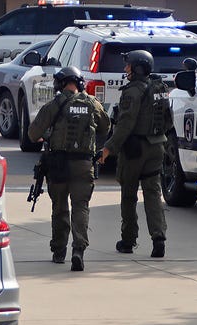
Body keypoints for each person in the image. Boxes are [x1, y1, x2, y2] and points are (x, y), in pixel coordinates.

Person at [28, 66, 110, 273]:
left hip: (58, 164)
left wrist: (47, 135)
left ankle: (59, 251)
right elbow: (105, 127)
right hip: (84, 164)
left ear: (61, 83)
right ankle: (78, 250)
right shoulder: (92, 103)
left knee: (60, 208)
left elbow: (32, 134)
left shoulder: (53, 105)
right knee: (81, 207)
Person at [99, 50, 170, 259]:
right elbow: (168, 121)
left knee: (129, 195)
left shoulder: (132, 92)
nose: (125, 69)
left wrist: (109, 147)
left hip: (134, 149)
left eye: (128, 65)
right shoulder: (160, 89)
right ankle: (159, 239)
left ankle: (128, 240)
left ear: (137, 68)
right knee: (153, 194)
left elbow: (125, 124)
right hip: (157, 147)